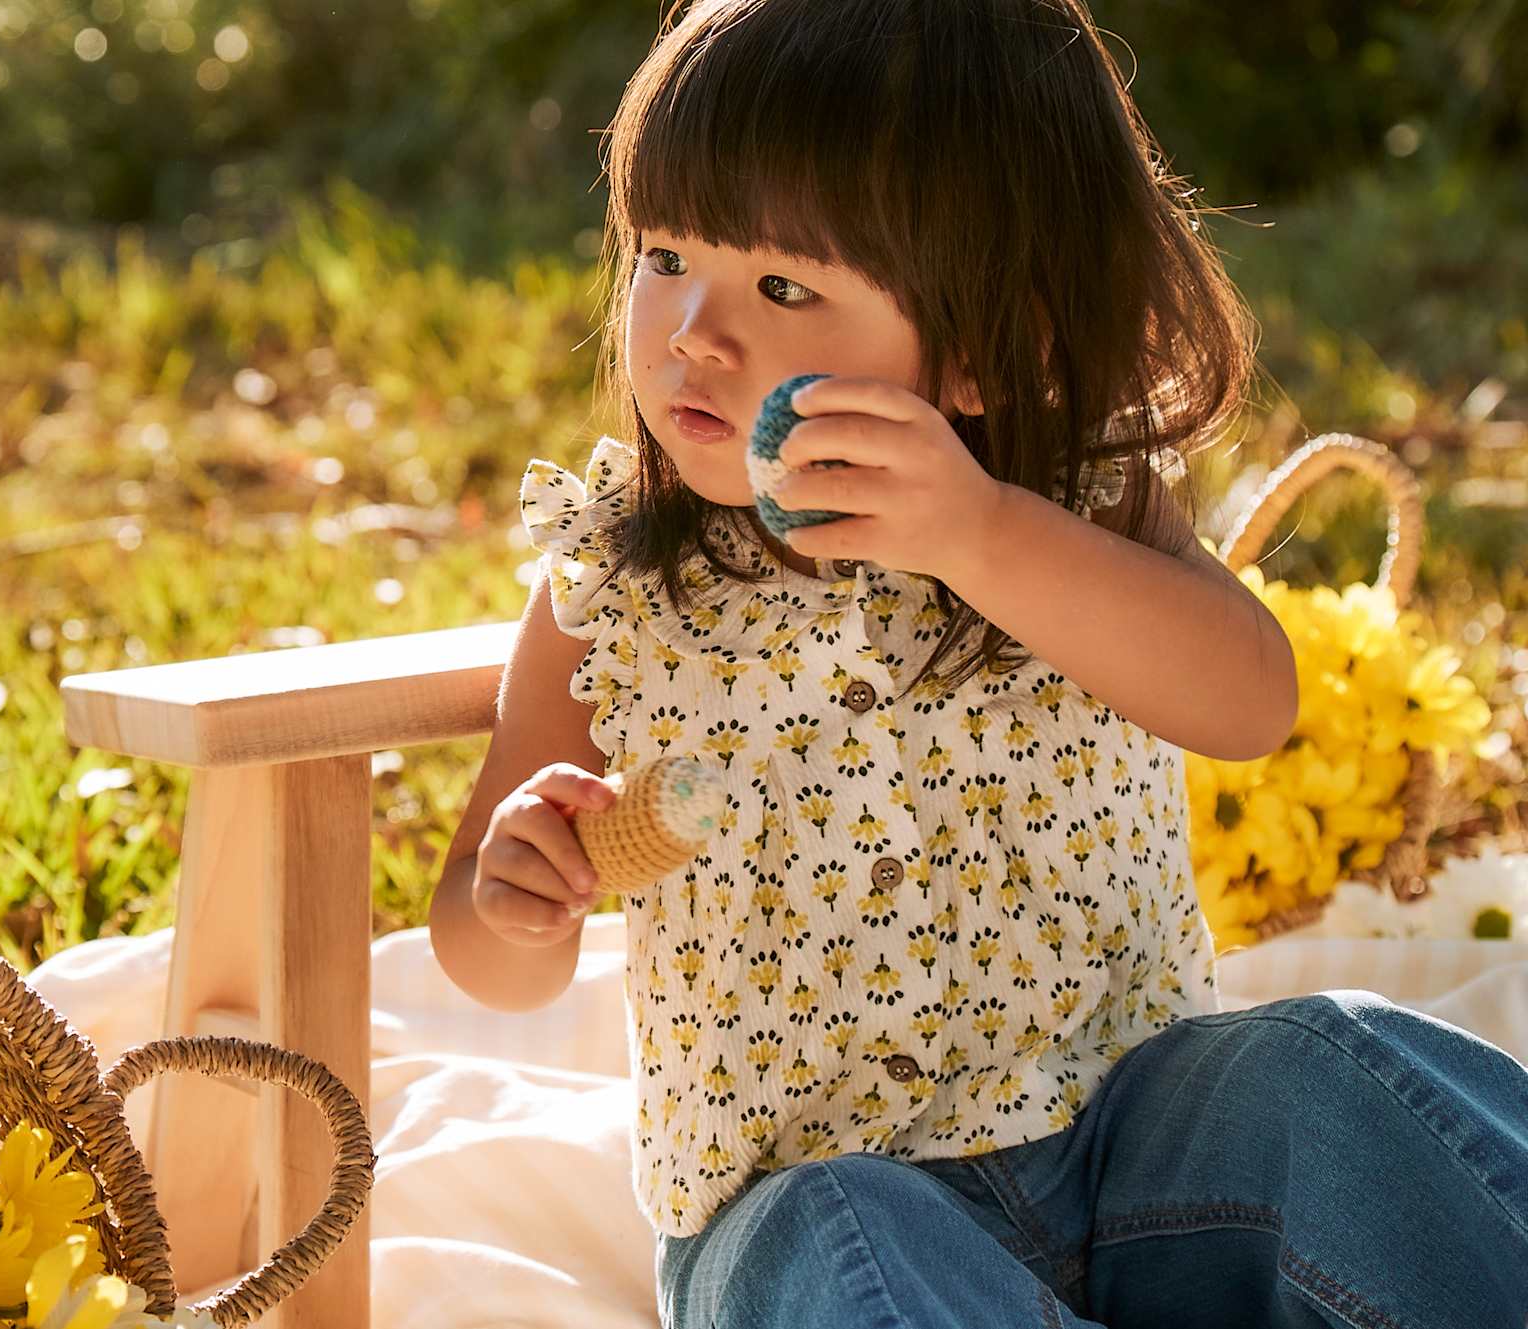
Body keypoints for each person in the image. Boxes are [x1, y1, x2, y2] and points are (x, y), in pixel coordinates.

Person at [428, 1, 1528, 1325]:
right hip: (818, 1202)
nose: (692, 334)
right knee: (831, 1232)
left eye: (783, 286)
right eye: (666, 256)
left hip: (1135, 1145)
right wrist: (515, 906)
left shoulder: (1070, 502)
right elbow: (481, 932)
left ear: (973, 344)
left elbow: (1248, 700)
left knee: (1315, 1065)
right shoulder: (620, 578)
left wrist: (983, 531)